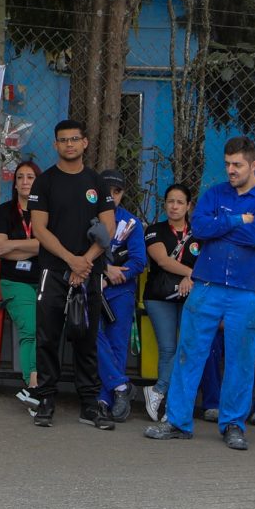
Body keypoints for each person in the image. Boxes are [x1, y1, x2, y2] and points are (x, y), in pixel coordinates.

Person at [146, 137, 255, 450]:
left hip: (246, 291)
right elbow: (200, 229)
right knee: (189, 352)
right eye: (228, 164)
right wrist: (235, 220)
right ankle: (177, 422)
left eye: (238, 165)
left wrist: (222, 225)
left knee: (240, 359)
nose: (231, 170)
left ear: (253, 165)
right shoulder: (215, 193)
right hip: (206, 285)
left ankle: (233, 424)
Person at [29, 120, 106, 428]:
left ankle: (89, 404)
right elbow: (39, 229)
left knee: (87, 338)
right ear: (56, 145)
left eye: (75, 139)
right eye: (63, 140)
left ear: (85, 142)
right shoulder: (45, 182)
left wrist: (84, 262)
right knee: (47, 336)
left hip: (89, 271)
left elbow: (108, 228)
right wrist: (70, 260)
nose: (69, 144)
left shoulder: (97, 182)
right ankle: (45, 399)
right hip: (54, 270)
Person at [86, 172, 148, 426]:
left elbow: (139, 261)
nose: (111, 196)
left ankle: (105, 399)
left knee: (117, 343)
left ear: (123, 194)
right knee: (92, 334)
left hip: (121, 289)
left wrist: (113, 275)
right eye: (107, 190)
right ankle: (121, 386)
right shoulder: (85, 217)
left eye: (117, 191)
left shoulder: (131, 222)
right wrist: (103, 269)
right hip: (90, 286)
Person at [137, 182, 196, 424]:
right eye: (170, 201)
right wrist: (192, 273)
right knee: (169, 348)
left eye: (180, 202)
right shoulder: (155, 230)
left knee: (187, 347)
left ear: (188, 206)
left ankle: (164, 396)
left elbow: (208, 261)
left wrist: (190, 278)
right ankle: (162, 393)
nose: (174, 206)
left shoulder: (199, 232)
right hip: (159, 296)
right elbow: (162, 261)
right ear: (164, 204)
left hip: (190, 296)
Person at [0, 160, 46, 407]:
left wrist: (15, 245)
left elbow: (48, 244)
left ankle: (37, 387)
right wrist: (35, 247)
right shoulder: (3, 211)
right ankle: (33, 384)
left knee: (44, 332)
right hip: (14, 281)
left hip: (43, 281)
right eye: (20, 177)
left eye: (30, 177)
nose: (24, 182)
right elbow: (0, 248)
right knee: (30, 330)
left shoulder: (45, 211)